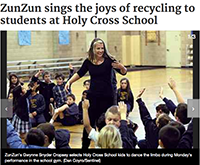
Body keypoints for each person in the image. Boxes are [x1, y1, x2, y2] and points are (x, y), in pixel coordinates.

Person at [65, 38, 127, 149]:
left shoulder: (109, 60)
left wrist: (122, 67)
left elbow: (123, 72)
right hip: (93, 96)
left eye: (102, 48)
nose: (100, 50)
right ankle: (85, 147)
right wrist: (69, 82)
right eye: (98, 48)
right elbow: (80, 73)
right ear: (93, 49)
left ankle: (107, 145)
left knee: (107, 122)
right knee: (88, 124)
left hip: (108, 97)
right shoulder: (88, 61)